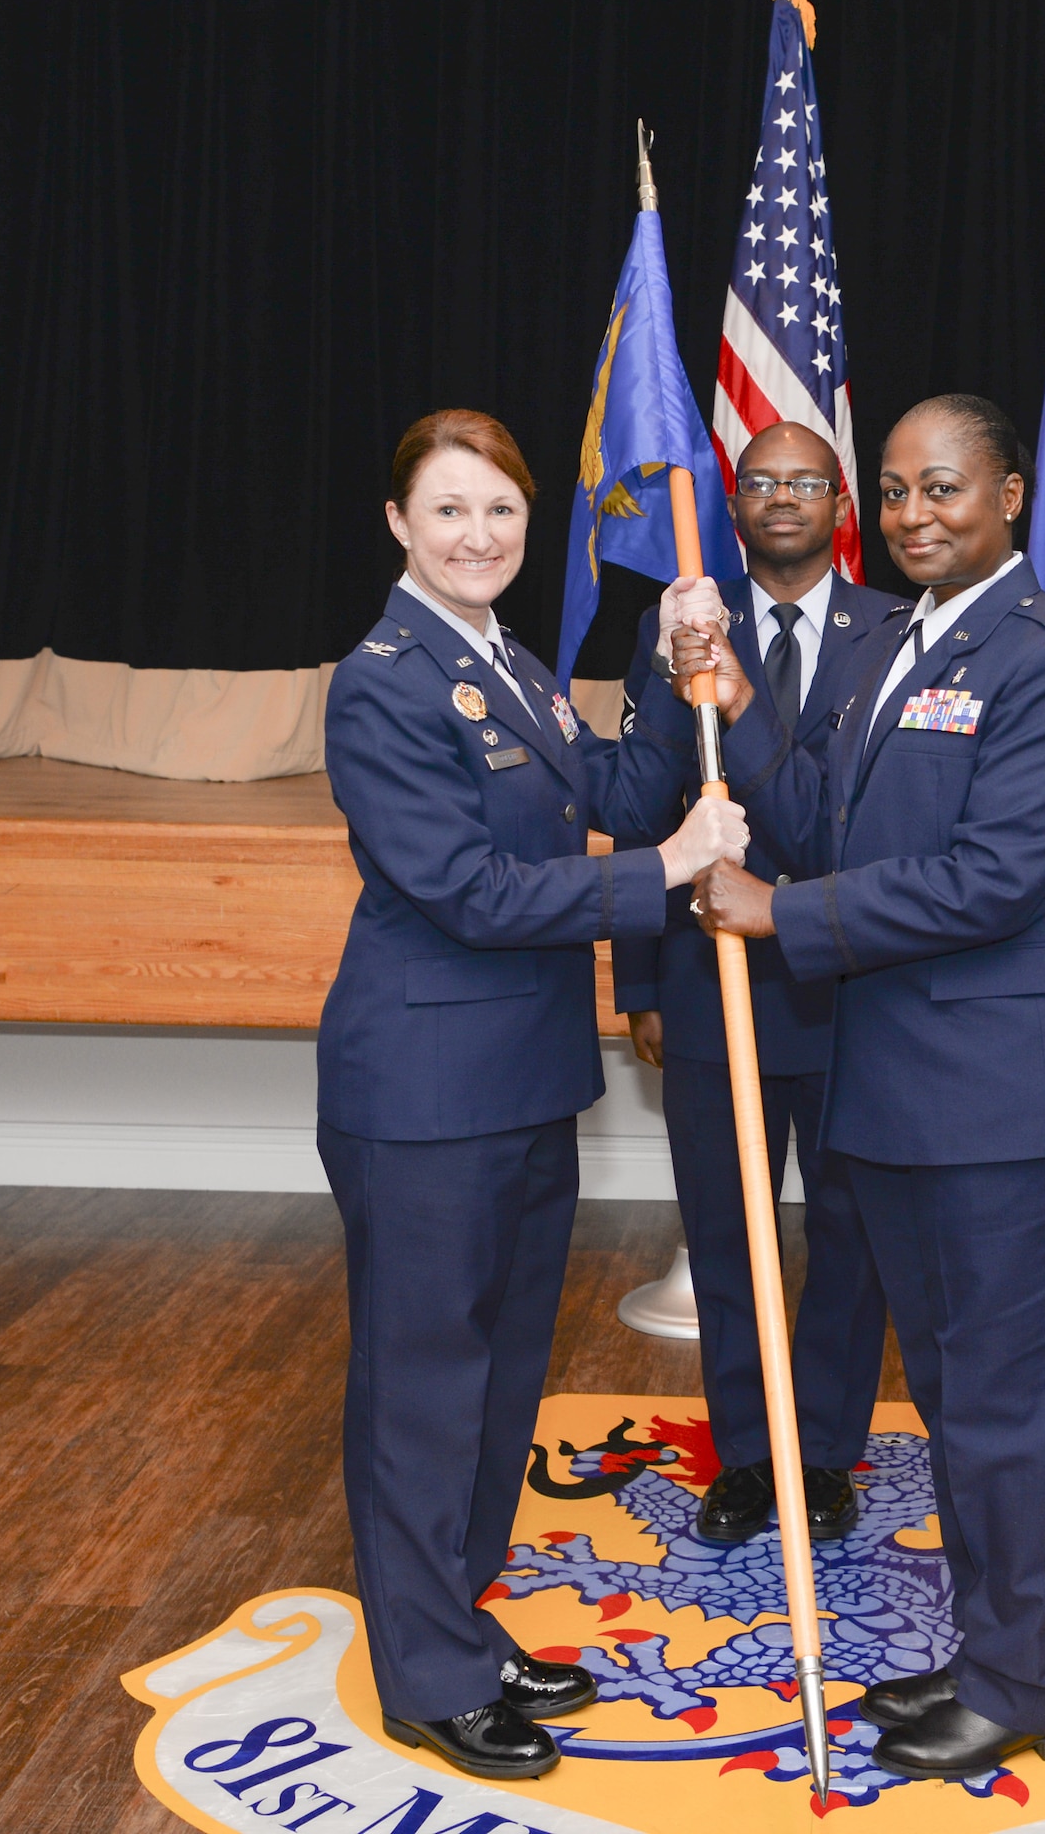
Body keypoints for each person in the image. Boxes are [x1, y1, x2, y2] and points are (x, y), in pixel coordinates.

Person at [665, 394, 1045, 1782]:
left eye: (942, 487)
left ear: (1009, 497)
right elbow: (820, 809)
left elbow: (997, 877)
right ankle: (1013, 1657)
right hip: (919, 1094)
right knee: (960, 1400)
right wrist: (734, 698)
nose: (911, 514)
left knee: (1008, 1405)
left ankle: (1026, 1687)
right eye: (889, 492)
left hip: (1024, 1096)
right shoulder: (906, 644)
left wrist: (782, 918)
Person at [317, 409, 745, 1785]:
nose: (478, 536)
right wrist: (673, 867)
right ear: (399, 525)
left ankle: (459, 1621)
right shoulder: (383, 680)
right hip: (424, 1092)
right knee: (423, 1391)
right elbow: (468, 892)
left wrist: (667, 658)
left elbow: (613, 784)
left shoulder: (509, 664)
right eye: (449, 512)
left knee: (500, 1388)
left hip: (522, 1085)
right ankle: (426, 1679)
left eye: (499, 512)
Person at [613, 421, 908, 1545]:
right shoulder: (682, 624)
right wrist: (637, 974)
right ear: (731, 503)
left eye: (806, 481)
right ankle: (746, 1455)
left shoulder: (894, 630)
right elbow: (641, 806)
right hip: (708, 981)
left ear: (841, 503)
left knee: (848, 1236)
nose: (781, 497)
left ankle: (822, 1454)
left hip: (850, 987)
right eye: (759, 480)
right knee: (726, 1232)